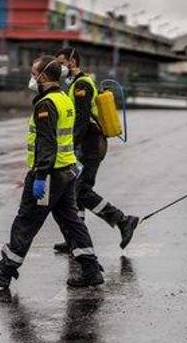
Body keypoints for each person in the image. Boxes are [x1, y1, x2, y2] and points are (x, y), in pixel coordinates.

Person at [0, 55, 104, 289]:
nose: (32, 77)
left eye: (34, 73)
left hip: (50, 173)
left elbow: (47, 143)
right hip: (66, 171)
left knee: (27, 220)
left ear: (44, 75)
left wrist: (40, 176)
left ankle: (5, 269)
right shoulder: (63, 98)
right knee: (71, 221)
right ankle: (91, 269)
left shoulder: (46, 104)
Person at [52, 47, 139, 252]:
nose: (59, 67)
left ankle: (123, 220)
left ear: (72, 62)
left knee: (81, 190)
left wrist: (70, 145)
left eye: (61, 62)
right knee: (74, 190)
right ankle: (75, 237)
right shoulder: (74, 84)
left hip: (90, 144)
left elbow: (82, 120)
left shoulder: (82, 84)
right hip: (85, 144)